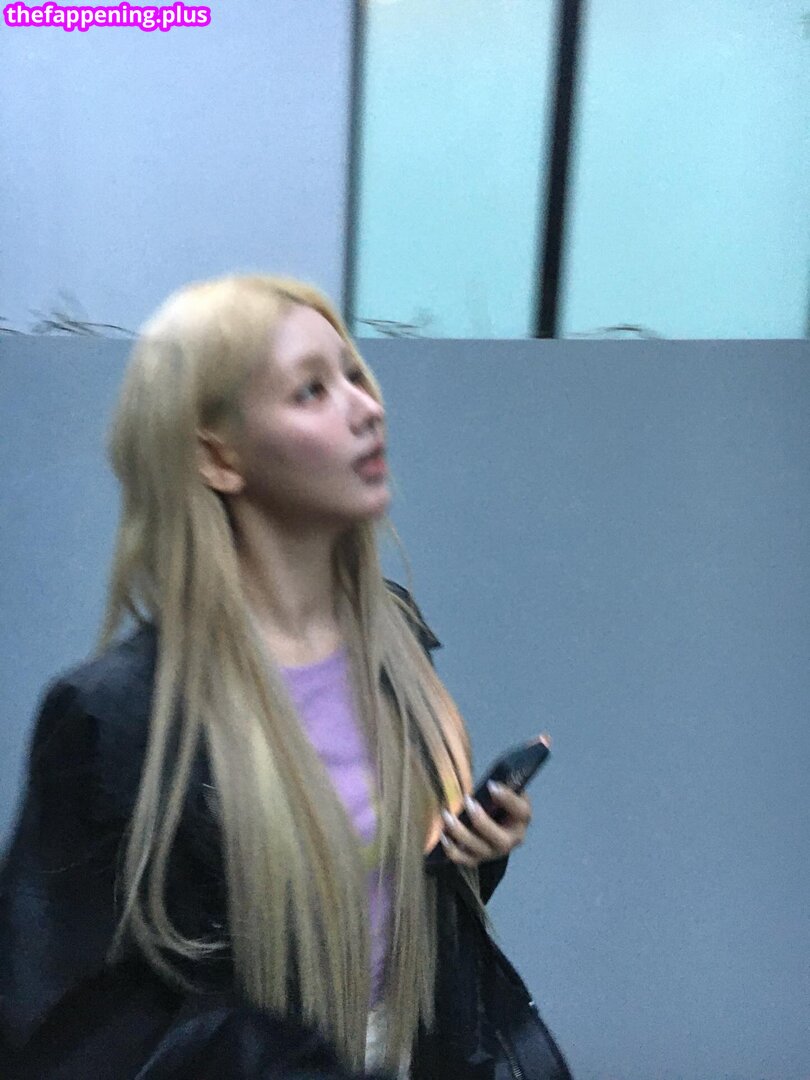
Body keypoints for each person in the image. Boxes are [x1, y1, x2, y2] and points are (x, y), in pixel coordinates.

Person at [0, 274, 567, 1079]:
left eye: (355, 376)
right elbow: (70, 1027)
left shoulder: (396, 641)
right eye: (311, 391)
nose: (367, 408)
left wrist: (472, 854)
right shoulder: (115, 718)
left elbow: (391, 899)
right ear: (217, 456)